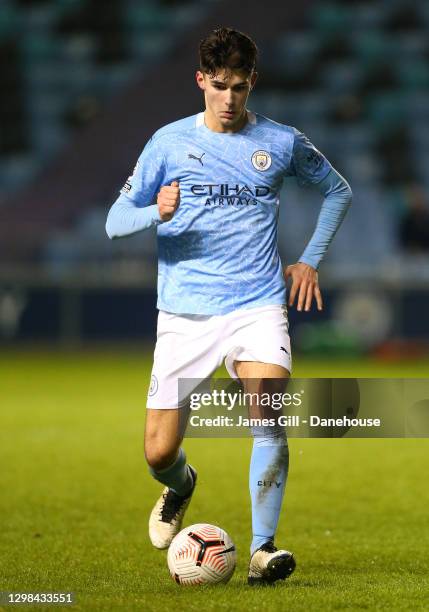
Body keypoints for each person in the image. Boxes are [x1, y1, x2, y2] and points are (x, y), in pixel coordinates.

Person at [105, 27, 352, 585]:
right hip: (185, 315)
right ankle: (182, 485)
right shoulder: (166, 143)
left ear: (252, 83)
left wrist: (309, 258)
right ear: (201, 81)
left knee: (268, 416)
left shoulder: (282, 142)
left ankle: (264, 550)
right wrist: (155, 213)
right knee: (157, 451)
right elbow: (114, 222)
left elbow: (339, 190)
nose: (230, 99)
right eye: (219, 86)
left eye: (240, 87)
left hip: (257, 305)